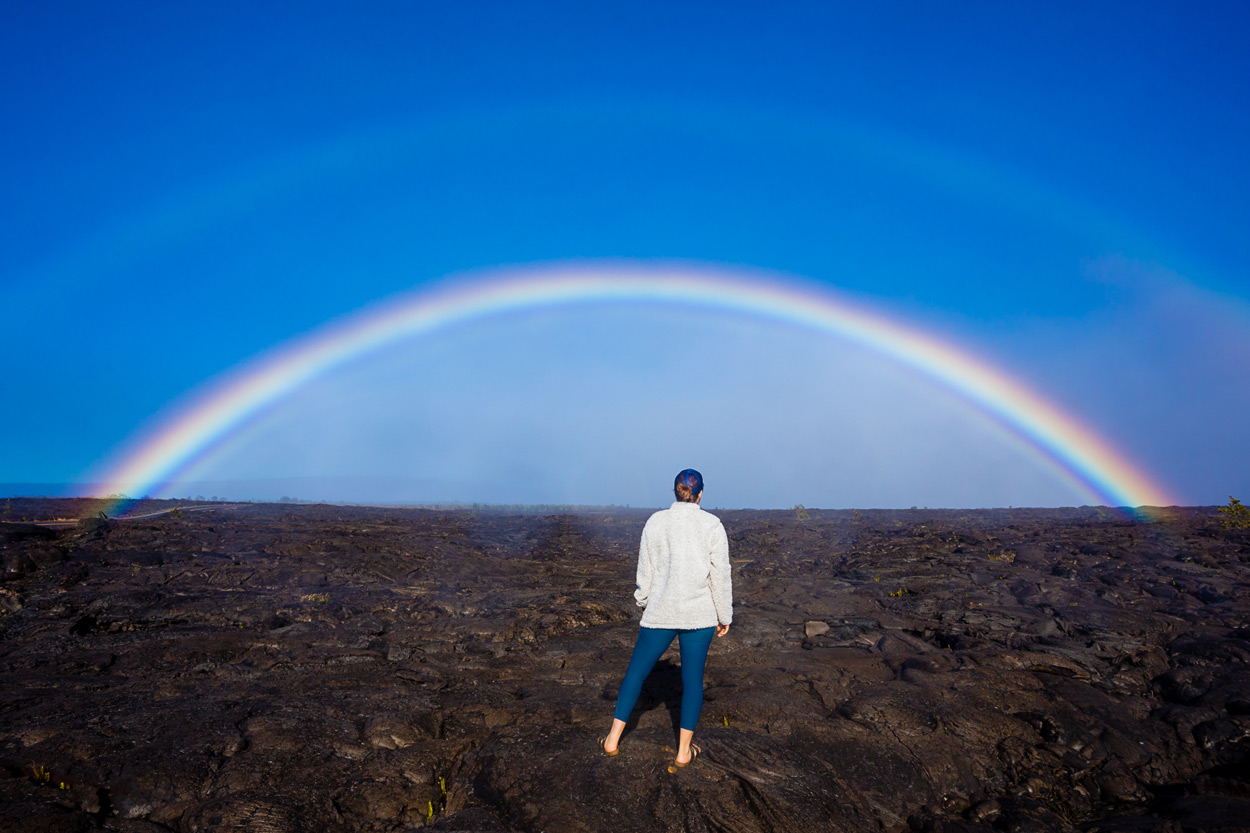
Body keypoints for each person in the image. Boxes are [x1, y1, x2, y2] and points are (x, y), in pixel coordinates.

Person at [599, 468, 732, 766]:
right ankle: (683, 752)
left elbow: (644, 570)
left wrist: (644, 601)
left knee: (636, 673)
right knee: (692, 682)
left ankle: (612, 740)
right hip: (699, 616)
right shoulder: (712, 525)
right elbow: (720, 575)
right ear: (700, 494)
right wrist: (725, 615)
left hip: (660, 611)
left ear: (675, 491)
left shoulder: (656, 522)